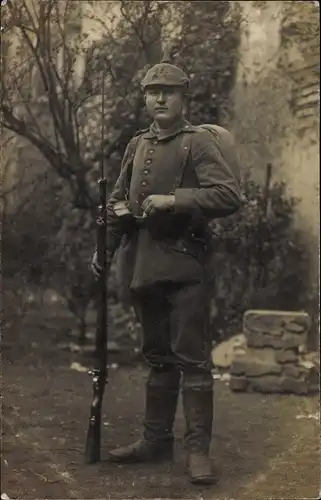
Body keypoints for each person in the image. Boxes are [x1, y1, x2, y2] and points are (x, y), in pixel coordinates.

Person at [91, 52, 244, 485]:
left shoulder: (197, 142)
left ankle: (198, 453)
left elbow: (228, 195)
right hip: (145, 268)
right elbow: (120, 203)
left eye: (168, 92)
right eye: (152, 92)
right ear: (144, 99)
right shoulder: (137, 144)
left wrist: (176, 199)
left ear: (182, 98)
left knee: (192, 360)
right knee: (158, 358)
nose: (159, 99)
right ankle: (155, 441)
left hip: (186, 265)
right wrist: (107, 245)